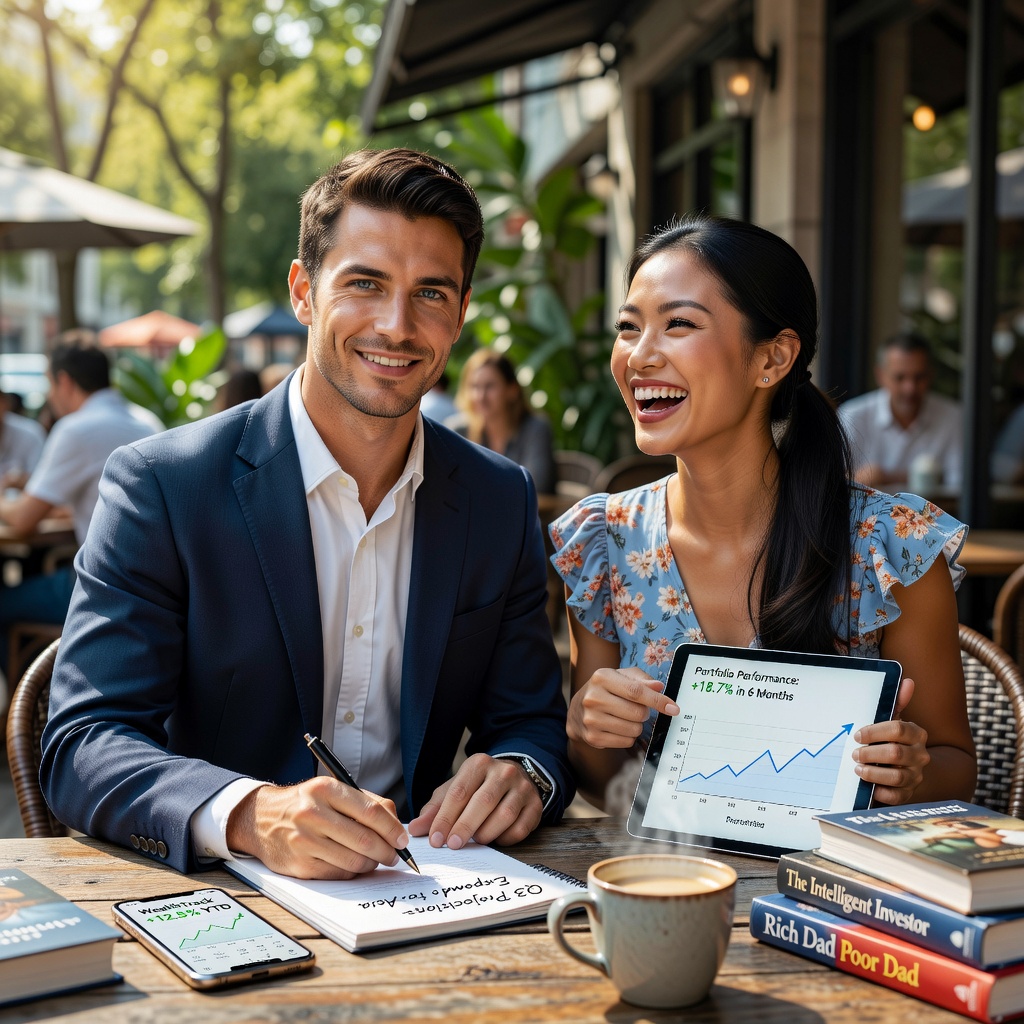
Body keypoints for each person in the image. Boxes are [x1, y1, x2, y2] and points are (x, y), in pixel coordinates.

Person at [41, 147, 573, 880]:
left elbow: (532, 721)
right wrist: (247, 813)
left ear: (460, 315)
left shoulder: (498, 496)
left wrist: (523, 772)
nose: (397, 325)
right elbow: (83, 742)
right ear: (303, 291)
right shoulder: (163, 484)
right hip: (226, 895)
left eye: (430, 294)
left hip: (431, 892)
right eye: (365, 283)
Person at [549, 215, 976, 812]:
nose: (639, 356)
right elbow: (609, 786)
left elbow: (956, 766)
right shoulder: (604, 544)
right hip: (676, 887)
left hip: (832, 889)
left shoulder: (890, 546)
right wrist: (586, 727)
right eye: (628, 328)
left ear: (772, 358)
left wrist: (908, 773)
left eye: (679, 324)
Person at [0, 340, 160, 655]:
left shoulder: (76, 429)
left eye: (49, 384)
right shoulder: (147, 421)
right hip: (152, 582)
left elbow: (21, 522)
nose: (49, 396)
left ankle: (27, 699)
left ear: (64, 381)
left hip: (103, 586)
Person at [838, 332, 963, 489]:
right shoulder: (852, 416)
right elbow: (832, 483)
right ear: (880, 376)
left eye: (919, 377)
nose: (910, 388)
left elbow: (960, 485)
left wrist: (884, 478)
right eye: (900, 378)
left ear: (931, 375)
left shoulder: (953, 417)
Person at [453, 348, 557, 494]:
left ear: (512, 390)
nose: (480, 396)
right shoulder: (459, 432)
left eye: (490, 386)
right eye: (474, 387)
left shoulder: (536, 428)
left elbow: (536, 486)